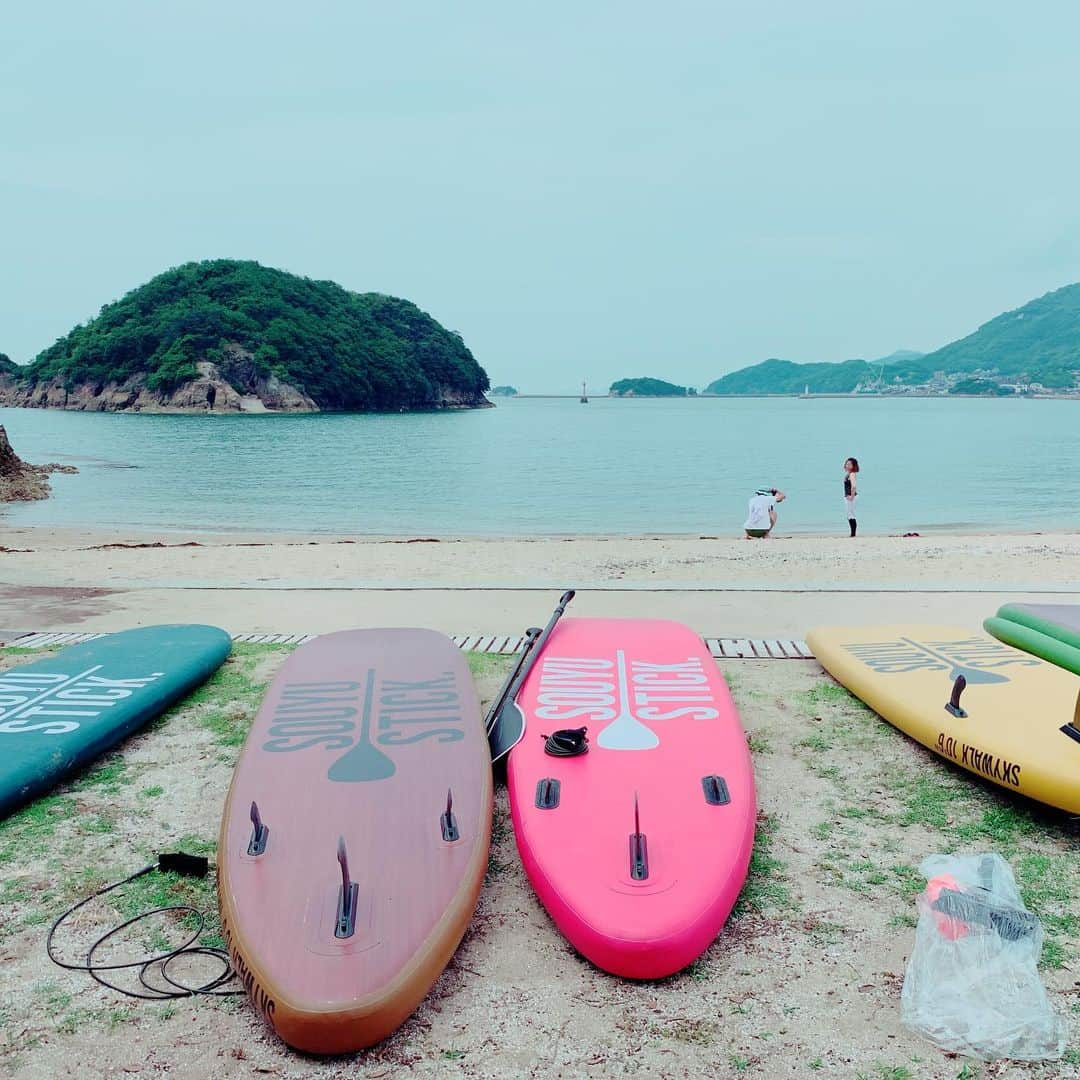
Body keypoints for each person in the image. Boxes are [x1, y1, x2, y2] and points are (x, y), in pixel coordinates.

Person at [843, 457, 860, 537]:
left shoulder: (852, 474)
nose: (847, 465)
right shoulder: (849, 474)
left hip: (851, 496)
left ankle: (853, 534)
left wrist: (852, 496)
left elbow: (853, 486)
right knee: (850, 514)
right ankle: (853, 533)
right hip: (849, 496)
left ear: (853, 466)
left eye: (849, 464)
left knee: (850, 515)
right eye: (847, 463)